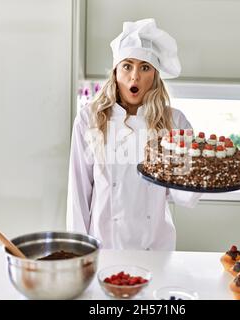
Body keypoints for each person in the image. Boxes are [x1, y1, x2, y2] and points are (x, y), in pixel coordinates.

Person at [66, 18, 201, 250]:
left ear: (155, 76)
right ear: (116, 72)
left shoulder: (174, 122)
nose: (135, 77)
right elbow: (78, 193)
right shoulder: (89, 119)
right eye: (127, 66)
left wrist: (200, 165)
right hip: (103, 249)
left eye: (145, 67)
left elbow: (185, 197)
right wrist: (77, 252)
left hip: (155, 250)